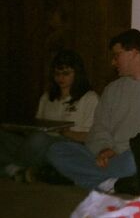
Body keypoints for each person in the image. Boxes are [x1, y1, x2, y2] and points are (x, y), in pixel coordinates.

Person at [47, 29, 140, 191]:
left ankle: (93, 178)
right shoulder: (112, 89)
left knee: (137, 159)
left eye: (116, 55)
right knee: (56, 150)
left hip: (133, 156)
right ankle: (110, 183)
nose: (113, 62)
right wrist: (104, 149)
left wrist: (117, 151)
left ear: (134, 53)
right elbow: (99, 128)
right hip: (106, 158)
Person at [0, 49, 99, 181]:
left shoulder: (90, 98)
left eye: (66, 73)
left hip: (67, 146)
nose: (60, 78)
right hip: (37, 144)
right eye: (57, 74)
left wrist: (64, 132)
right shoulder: (47, 97)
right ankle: (19, 169)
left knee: (39, 139)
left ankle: (14, 167)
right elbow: (37, 127)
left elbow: (90, 137)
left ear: (77, 74)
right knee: (5, 137)